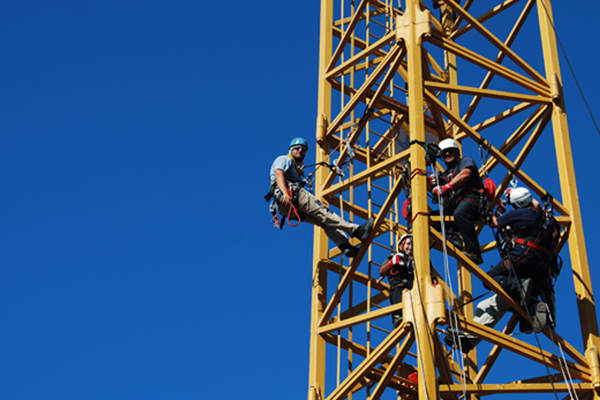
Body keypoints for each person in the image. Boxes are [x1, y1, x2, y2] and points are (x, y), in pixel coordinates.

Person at [444, 187, 559, 352]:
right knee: (500, 302)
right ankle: (468, 340)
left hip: (522, 257)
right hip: (542, 268)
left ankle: (521, 290)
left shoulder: (520, 213)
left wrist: (499, 208)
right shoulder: (551, 222)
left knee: (490, 279)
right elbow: (553, 247)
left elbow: (495, 222)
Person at [268, 137, 374, 257]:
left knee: (323, 222)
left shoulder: (296, 170)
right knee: (323, 212)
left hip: (287, 208)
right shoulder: (284, 159)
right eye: (297, 148)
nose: (300, 151)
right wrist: (286, 193)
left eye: (303, 149)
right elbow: (278, 174)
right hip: (291, 195)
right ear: (291, 150)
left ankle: (344, 245)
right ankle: (356, 230)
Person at [429, 138, 485, 264]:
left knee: (460, 213)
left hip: (472, 200)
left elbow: (465, 174)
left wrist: (446, 187)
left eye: (450, 151)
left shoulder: (465, 161)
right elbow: (438, 195)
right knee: (432, 218)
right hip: (458, 204)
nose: (447, 154)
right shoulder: (446, 174)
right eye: (444, 153)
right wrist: (434, 183)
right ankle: (453, 237)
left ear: (457, 152)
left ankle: (474, 252)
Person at [380, 234, 414, 328]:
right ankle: (398, 315)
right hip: (399, 287)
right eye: (408, 244)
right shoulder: (394, 258)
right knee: (398, 289)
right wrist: (392, 263)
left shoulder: (417, 260)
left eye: (412, 244)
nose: (410, 247)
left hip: (414, 288)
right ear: (401, 246)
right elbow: (382, 272)